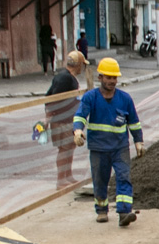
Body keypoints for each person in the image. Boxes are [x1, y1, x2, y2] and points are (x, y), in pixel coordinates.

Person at [72, 58, 143, 225]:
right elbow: (80, 115)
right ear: (100, 78)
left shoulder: (125, 99)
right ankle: (102, 210)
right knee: (100, 180)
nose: (112, 81)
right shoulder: (90, 97)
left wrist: (138, 141)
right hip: (98, 148)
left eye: (114, 78)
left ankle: (124, 212)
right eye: (109, 77)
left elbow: (134, 122)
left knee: (123, 177)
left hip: (120, 147)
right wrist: (78, 130)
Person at [45, 51, 88, 184]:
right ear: (78, 65)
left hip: (69, 119)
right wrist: (48, 117)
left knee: (70, 148)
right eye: (82, 65)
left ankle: (68, 175)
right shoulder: (64, 78)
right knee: (64, 149)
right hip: (61, 120)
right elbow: (52, 99)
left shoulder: (69, 77)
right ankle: (61, 180)